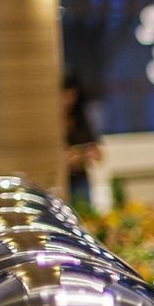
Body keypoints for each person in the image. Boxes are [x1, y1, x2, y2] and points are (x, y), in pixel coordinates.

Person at [62, 67, 102, 204]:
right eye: (64, 95)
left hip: (80, 181)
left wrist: (85, 154)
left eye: (72, 95)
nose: (68, 100)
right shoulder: (50, 122)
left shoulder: (80, 117)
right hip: (59, 182)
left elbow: (98, 153)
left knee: (83, 216)